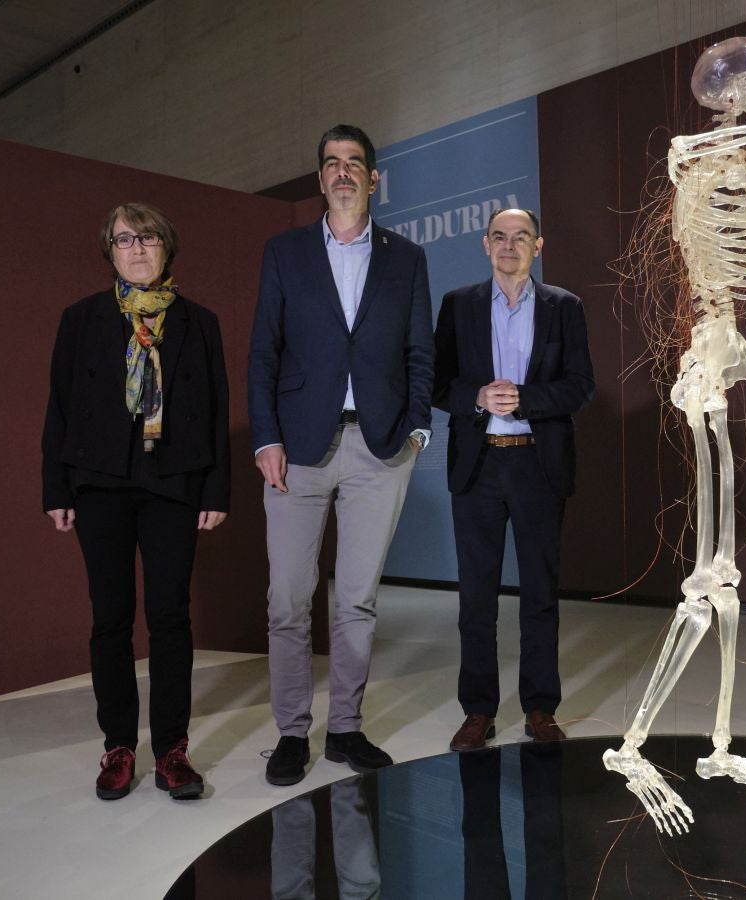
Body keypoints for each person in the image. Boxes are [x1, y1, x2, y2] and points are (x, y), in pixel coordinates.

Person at [248, 124, 433, 786]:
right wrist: (265, 437)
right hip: (295, 450)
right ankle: (292, 733)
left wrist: (418, 431)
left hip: (380, 449)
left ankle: (346, 729)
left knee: (355, 601)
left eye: (356, 163)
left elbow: (420, 352)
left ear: (374, 179)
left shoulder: (406, 258)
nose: (345, 172)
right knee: (288, 599)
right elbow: (264, 350)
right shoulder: (285, 253)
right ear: (320, 178)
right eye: (332, 163)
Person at [42, 202, 230, 801]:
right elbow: (60, 407)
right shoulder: (81, 318)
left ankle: (172, 749)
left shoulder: (200, 322)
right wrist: (57, 487)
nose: (138, 248)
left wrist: (216, 488)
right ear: (111, 251)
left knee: (170, 617)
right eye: (126, 239)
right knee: (110, 619)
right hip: (99, 484)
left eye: (149, 238)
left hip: (174, 483)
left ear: (167, 248)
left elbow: (218, 412)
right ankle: (118, 746)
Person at [433, 208, 594, 752]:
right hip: (477, 465)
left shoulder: (564, 307)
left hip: (537, 464)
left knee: (539, 596)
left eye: (520, 237)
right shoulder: (458, 305)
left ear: (537, 245)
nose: (509, 246)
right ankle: (477, 711)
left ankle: (540, 707)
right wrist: (477, 397)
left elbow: (580, 386)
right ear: (485, 245)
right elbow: (438, 384)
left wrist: (528, 398)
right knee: (475, 597)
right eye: (499, 237)